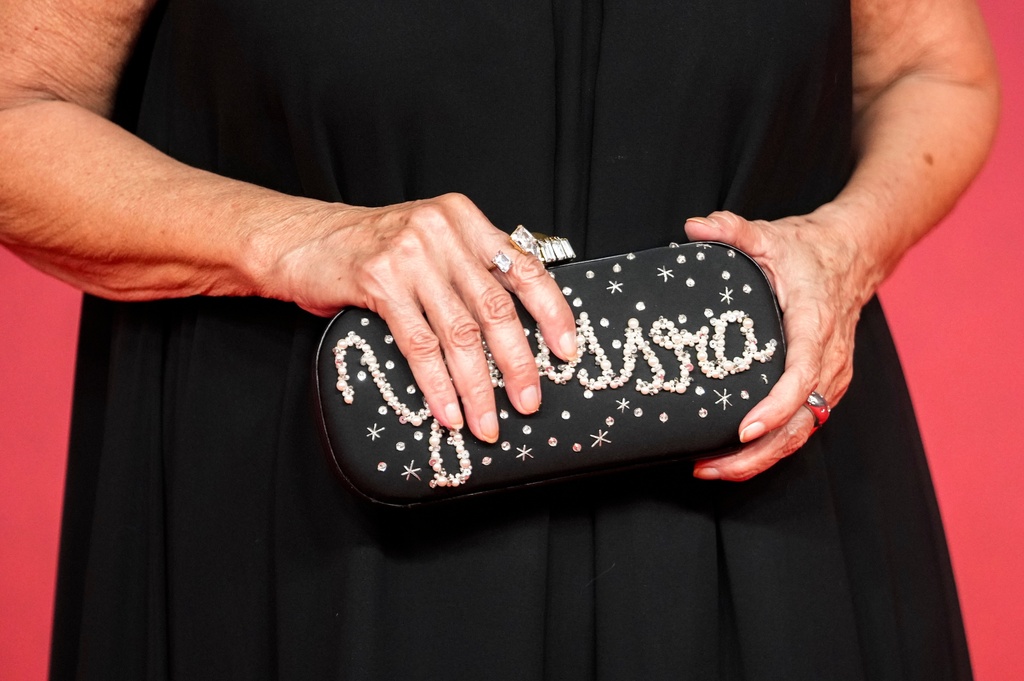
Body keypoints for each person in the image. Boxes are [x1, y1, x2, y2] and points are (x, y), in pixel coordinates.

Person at [0, 0, 999, 679]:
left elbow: (936, 73)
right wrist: (301, 240)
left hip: (767, 510)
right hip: (311, 523)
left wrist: (848, 246)